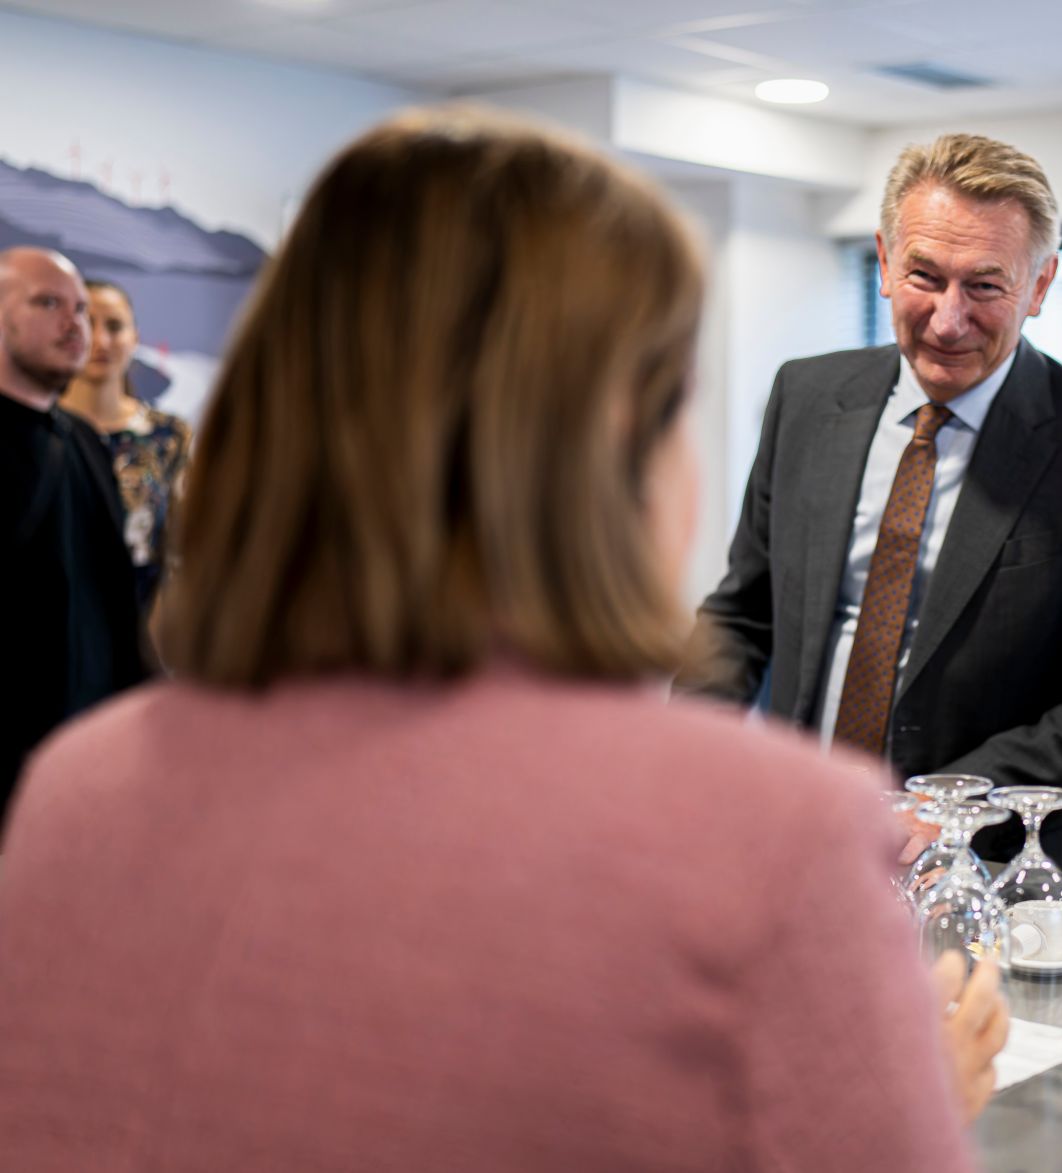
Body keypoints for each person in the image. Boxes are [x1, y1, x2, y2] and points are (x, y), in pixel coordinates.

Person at [0, 108, 1001, 1171]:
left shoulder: (77, 790)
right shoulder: (772, 843)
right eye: (672, 402)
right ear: (614, 445)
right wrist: (901, 1100)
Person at [686, 133, 1062, 874]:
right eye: (925, 275)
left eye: (985, 285)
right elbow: (742, 612)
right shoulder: (805, 397)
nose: (949, 320)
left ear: (1040, 286)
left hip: (991, 860)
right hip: (789, 833)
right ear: (884, 263)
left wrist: (961, 800)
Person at [0, 247, 148, 807]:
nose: (75, 325)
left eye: (82, 309)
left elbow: (115, 598)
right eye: (49, 303)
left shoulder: (83, 441)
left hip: (84, 769)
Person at [61, 280, 194, 608]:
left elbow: (186, 542)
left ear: (135, 338)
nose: (101, 340)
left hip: (141, 618)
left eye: (115, 326)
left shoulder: (169, 436)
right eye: (88, 323)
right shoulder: (37, 429)